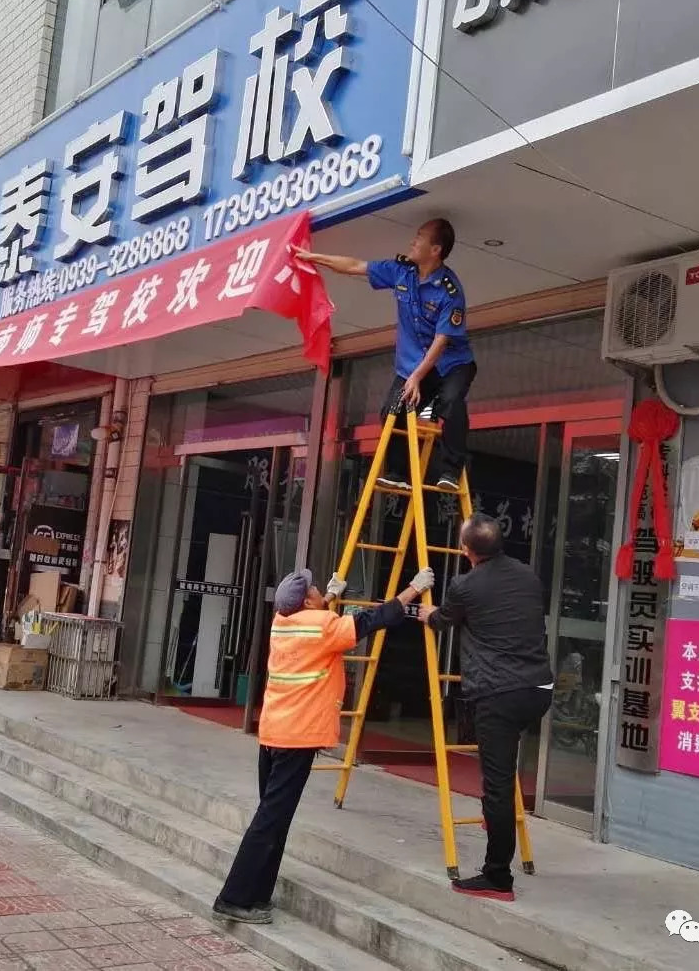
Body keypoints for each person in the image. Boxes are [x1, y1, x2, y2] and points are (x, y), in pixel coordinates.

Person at [213, 563, 435, 925]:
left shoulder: (282, 623)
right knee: (269, 821)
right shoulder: (322, 626)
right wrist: (412, 589)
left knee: (274, 818)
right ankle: (233, 897)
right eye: (316, 590)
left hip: (272, 734)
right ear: (308, 601)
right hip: (297, 737)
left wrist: (332, 594)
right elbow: (371, 620)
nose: (320, 591)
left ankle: (257, 895)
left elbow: (314, 621)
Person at [417, 514, 553, 902]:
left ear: (466, 550)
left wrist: (429, 616)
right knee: (502, 774)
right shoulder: (528, 575)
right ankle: (496, 823)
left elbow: (444, 619)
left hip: (500, 693)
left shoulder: (464, 585)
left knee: (496, 787)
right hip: (539, 689)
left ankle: (498, 878)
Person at [292, 219, 476, 491]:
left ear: (435, 249)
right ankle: (399, 474)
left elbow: (442, 340)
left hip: (452, 365)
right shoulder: (402, 272)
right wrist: (313, 258)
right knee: (392, 409)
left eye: (419, 237)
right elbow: (356, 266)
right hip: (414, 366)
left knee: (451, 402)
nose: (413, 242)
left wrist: (415, 378)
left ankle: (450, 471)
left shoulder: (450, 289)